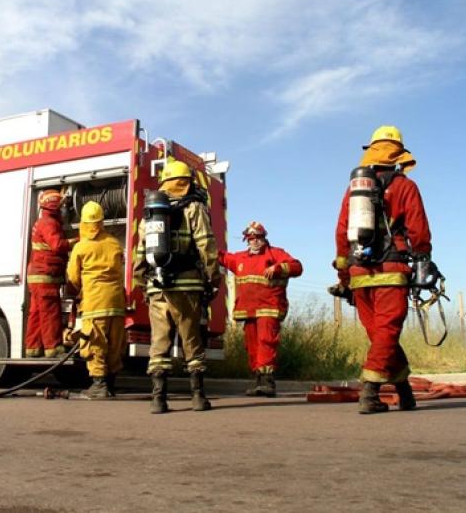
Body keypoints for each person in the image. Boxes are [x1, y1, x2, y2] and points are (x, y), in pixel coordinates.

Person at [333, 125, 432, 413]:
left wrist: (344, 274)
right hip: (392, 269)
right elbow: (419, 230)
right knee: (387, 331)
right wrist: (423, 258)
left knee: (381, 333)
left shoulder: (355, 189)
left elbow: (342, 232)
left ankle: (405, 391)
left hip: (360, 273)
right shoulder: (405, 187)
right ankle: (369, 392)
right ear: (398, 153)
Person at [133, 160, 221, 413]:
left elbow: (140, 252)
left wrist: (141, 283)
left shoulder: (150, 213)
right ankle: (197, 397)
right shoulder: (195, 207)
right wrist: (213, 278)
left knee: (159, 342)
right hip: (187, 287)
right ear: (188, 181)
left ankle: (158, 399)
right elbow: (206, 244)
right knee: (191, 340)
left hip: (157, 287)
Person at [219, 222, 303, 397]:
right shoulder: (239, 259)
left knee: (266, 342)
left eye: (258, 238)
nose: (255, 242)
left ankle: (267, 381)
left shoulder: (276, 254)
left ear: (264, 238)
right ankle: (258, 380)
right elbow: (221, 257)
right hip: (248, 311)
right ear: (246, 240)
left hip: (269, 308)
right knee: (252, 346)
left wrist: (278, 268)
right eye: (251, 238)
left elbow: (297, 267)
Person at [65, 201, 127, 399]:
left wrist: (76, 290)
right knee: (115, 344)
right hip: (117, 303)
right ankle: (110, 384)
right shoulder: (114, 243)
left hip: (94, 303)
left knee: (96, 343)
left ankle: (99, 385)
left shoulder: (81, 247)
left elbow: (73, 278)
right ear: (102, 222)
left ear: (83, 223)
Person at [26, 189, 76, 358]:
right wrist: (77, 241)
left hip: (38, 276)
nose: (64, 208)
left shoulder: (43, 221)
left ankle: (33, 348)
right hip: (45, 276)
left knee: (36, 313)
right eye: (62, 205)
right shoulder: (48, 223)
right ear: (54, 206)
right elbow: (57, 245)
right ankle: (53, 348)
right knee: (50, 313)